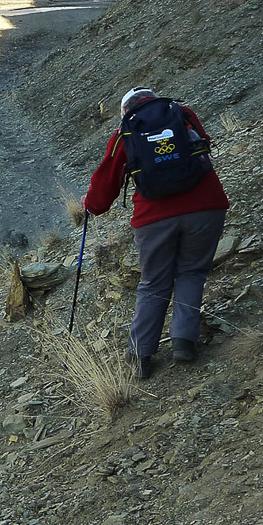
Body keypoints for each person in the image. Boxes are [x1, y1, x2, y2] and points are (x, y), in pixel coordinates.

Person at [83, 87, 229, 380]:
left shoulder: (126, 131)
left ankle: (140, 356)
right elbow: (205, 144)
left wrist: (92, 206)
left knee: (153, 284)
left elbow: (107, 178)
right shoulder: (183, 115)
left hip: (154, 218)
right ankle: (184, 343)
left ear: (126, 110)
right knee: (192, 272)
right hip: (206, 207)